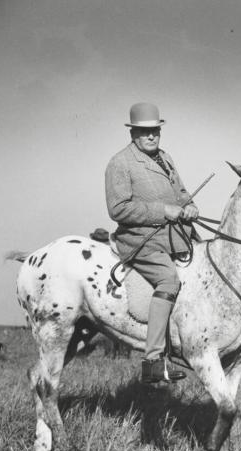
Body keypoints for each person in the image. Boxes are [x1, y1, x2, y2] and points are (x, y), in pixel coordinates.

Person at [105, 102, 199, 384]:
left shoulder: (166, 158)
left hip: (174, 237)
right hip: (140, 240)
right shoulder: (119, 163)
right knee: (169, 280)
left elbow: (180, 192)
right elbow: (118, 209)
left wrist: (190, 205)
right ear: (133, 132)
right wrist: (163, 211)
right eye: (145, 131)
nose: (151, 136)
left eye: (155, 131)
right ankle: (153, 361)